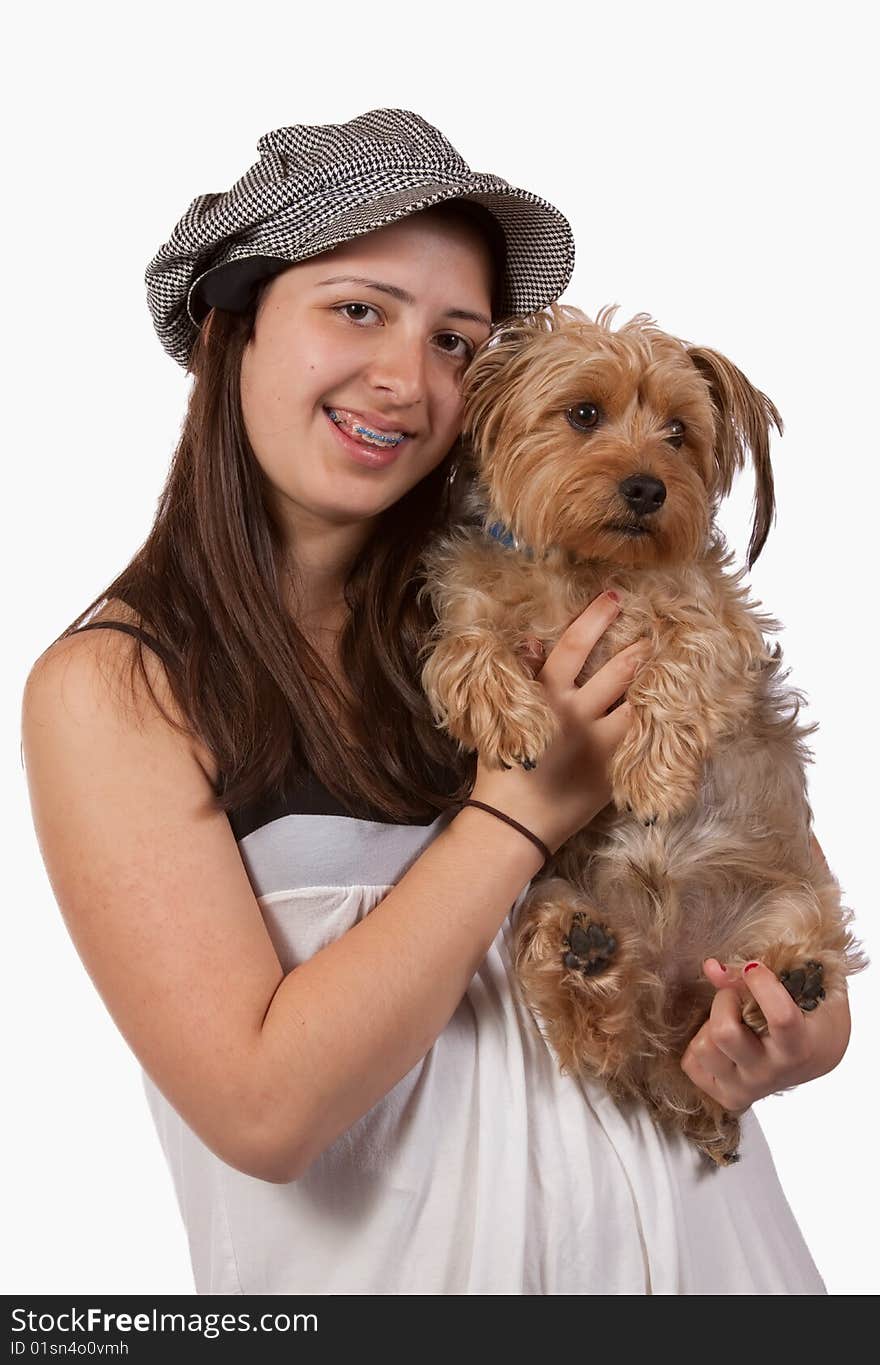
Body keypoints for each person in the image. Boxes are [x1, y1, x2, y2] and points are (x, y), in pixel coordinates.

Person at [21, 109, 849, 1295]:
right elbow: (265, 1114)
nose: (408, 379)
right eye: (357, 309)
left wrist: (793, 1034)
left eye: (458, 342)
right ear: (232, 328)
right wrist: (521, 811)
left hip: (725, 1266)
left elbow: (770, 875)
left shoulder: (553, 603)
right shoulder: (120, 687)